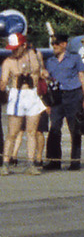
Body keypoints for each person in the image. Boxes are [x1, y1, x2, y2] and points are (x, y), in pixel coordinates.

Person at [41, 33, 84, 171]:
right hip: (57, 97)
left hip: (73, 95)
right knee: (54, 128)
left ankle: (75, 161)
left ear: (64, 44)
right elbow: (49, 80)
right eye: (52, 44)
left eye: (56, 44)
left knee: (75, 128)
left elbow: (81, 77)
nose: (54, 47)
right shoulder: (50, 61)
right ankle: (54, 161)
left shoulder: (74, 58)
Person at [3, 33, 47, 174]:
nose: (13, 51)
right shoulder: (8, 62)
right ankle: (5, 164)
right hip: (18, 95)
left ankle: (30, 163)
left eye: (16, 48)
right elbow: (3, 82)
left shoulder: (34, 56)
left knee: (32, 132)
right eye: (12, 49)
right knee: (13, 133)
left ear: (24, 45)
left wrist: (43, 73)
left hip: (32, 95)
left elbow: (41, 71)